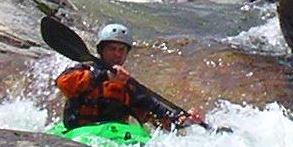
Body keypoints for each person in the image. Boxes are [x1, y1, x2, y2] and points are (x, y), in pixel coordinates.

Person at [55, 23, 204, 131]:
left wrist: (183, 120)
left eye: (121, 50)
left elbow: (157, 114)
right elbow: (63, 83)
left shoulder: (129, 87)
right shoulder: (84, 70)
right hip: (78, 132)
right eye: (112, 49)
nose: (117, 54)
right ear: (101, 51)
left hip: (113, 136)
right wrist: (105, 75)